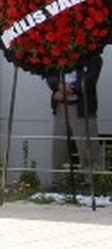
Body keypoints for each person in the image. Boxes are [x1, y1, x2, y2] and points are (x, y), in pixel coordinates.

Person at [46, 54, 103, 182]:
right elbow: (49, 75)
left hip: (82, 108)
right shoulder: (55, 54)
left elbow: (90, 80)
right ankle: (57, 182)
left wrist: (68, 89)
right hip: (61, 107)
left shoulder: (93, 57)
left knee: (87, 148)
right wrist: (58, 86)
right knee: (59, 147)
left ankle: (92, 183)